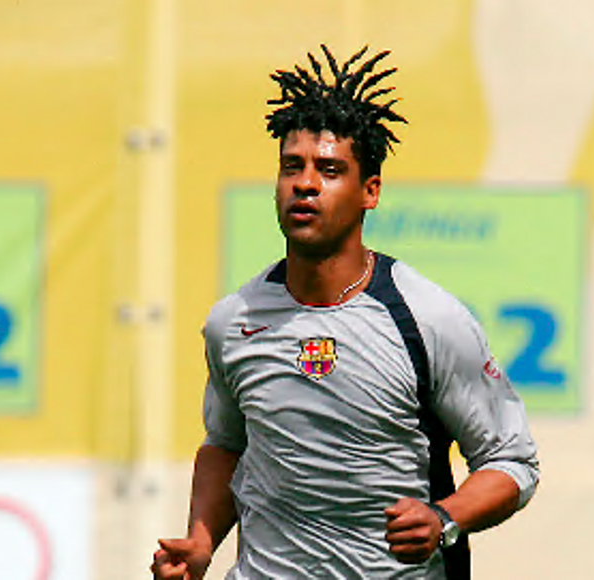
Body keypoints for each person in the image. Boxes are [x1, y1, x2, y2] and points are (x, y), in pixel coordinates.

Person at [151, 46, 539, 579]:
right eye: (292, 167)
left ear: (369, 191)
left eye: (330, 170)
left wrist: (444, 518)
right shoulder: (233, 321)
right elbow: (225, 445)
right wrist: (201, 541)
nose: (305, 184)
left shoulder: (428, 319)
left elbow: (511, 464)